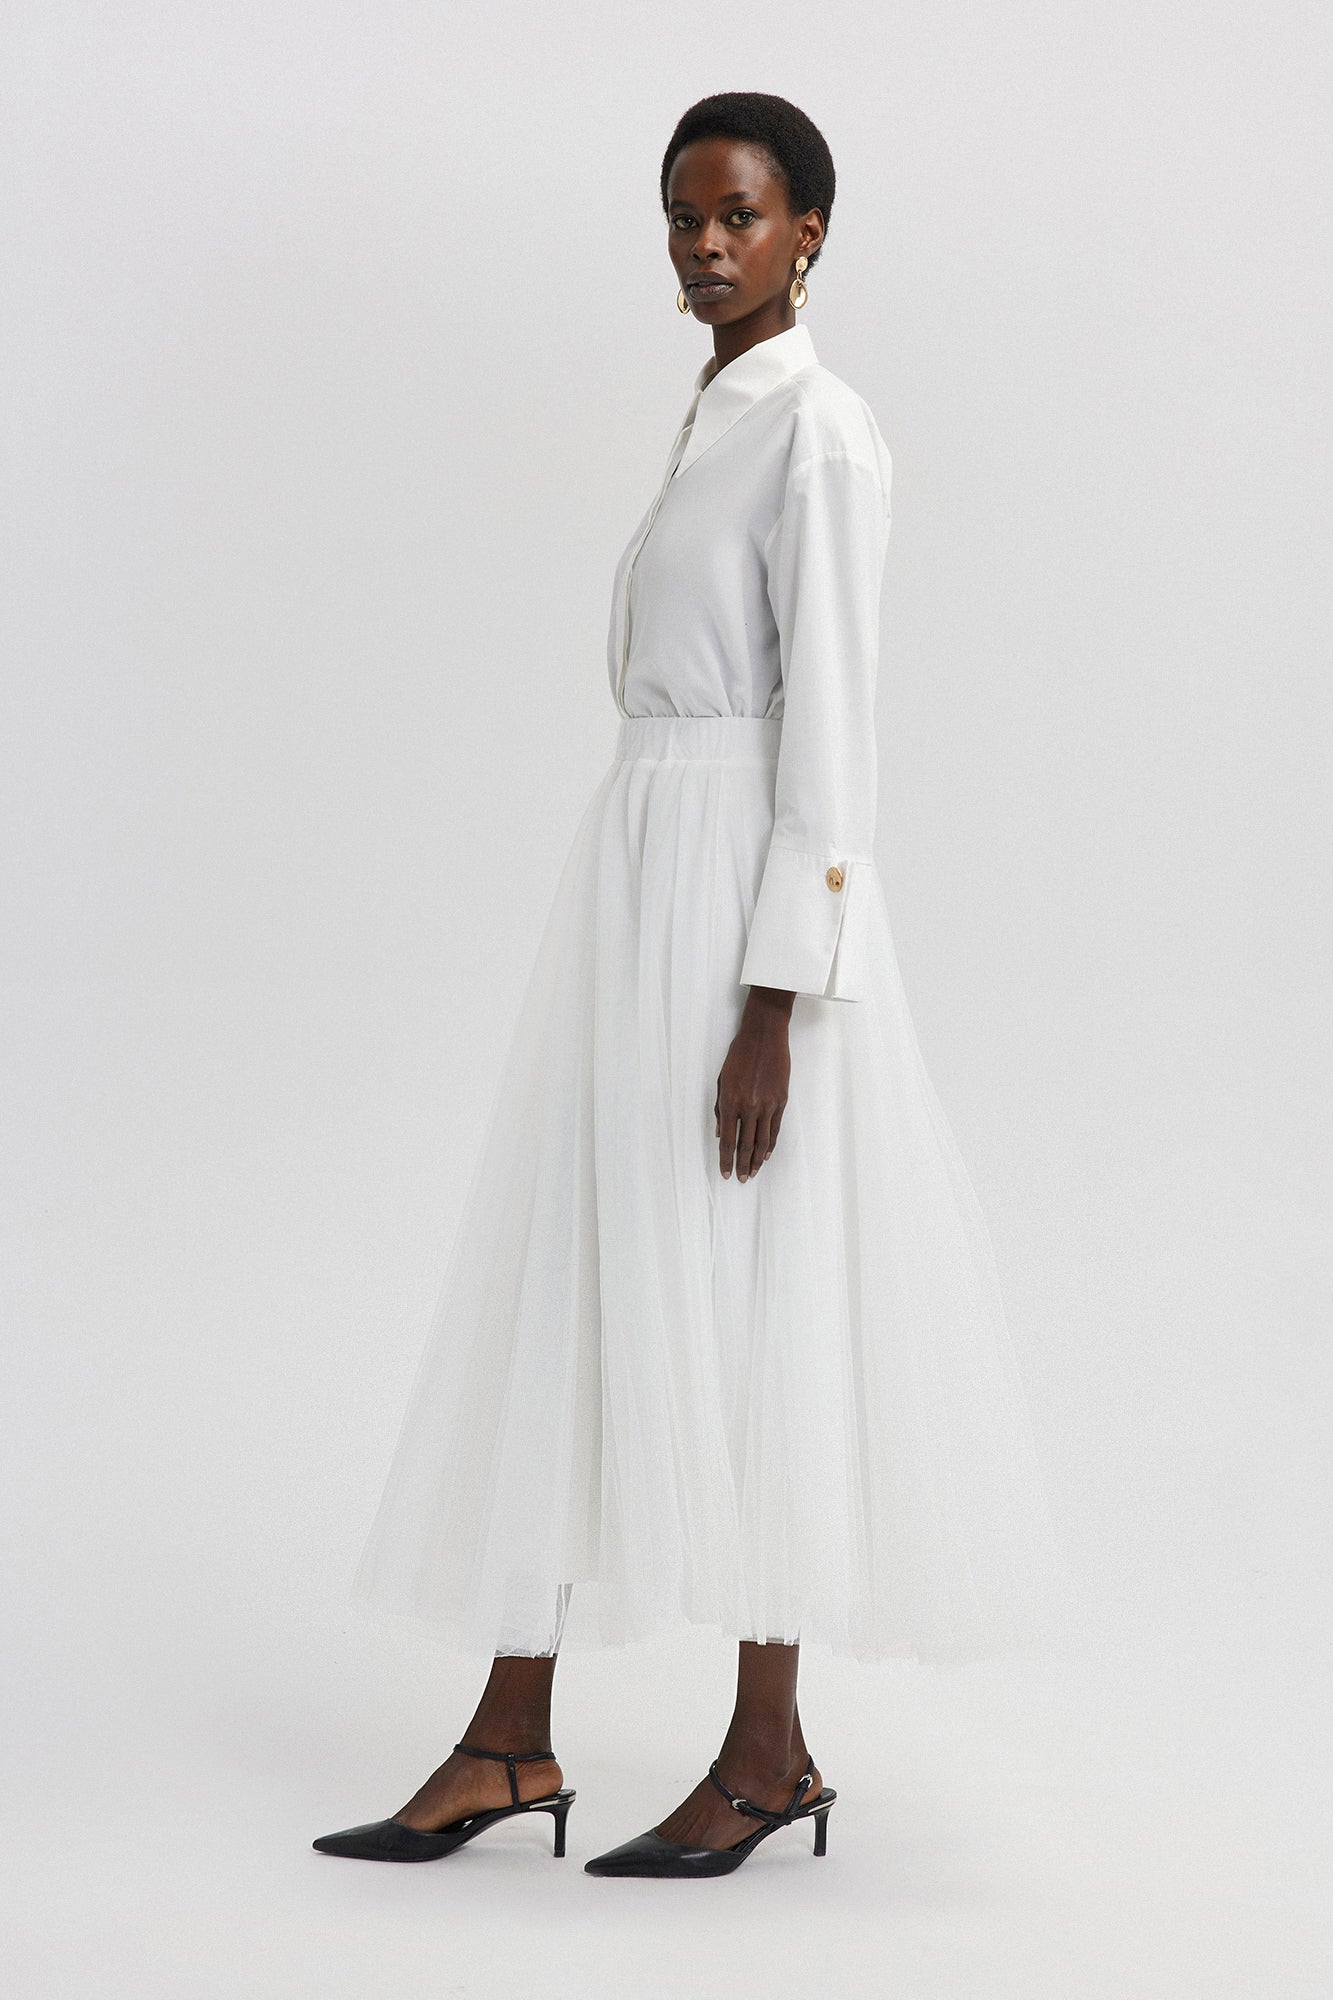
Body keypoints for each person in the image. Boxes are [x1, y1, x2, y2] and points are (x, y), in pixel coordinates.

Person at [313, 90, 1060, 1880]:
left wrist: (771, 1002)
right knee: (589, 1269)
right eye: (681, 217)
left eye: (739, 215)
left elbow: (834, 734)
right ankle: (508, 1736)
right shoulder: (715, 414)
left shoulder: (819, 432)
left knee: (753, 1298)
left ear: (810, 233)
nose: (705, 245)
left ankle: (768, 1752)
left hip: (737, 901)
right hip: (640, 870)